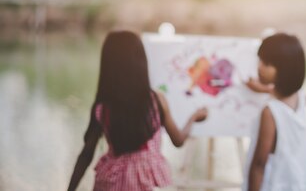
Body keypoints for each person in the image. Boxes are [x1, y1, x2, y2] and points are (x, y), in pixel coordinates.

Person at [68, 30, 208, 191]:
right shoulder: (156, 101)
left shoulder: (103, 108)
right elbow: (178, 140)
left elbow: (86, 155)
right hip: (144, 183)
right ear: (141, 61)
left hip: (111, 182)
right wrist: (193, 118)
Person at [244, 33, 306, 191]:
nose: (259, 67)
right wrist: (264, 88)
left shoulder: (270, 112)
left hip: (274, 185)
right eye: (260, 60)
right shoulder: (301, 98)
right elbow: (298, 95)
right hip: (299, 183)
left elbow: (259, 165)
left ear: (284, 70)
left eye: (266, 64)